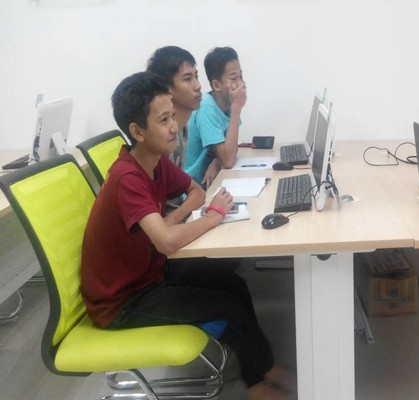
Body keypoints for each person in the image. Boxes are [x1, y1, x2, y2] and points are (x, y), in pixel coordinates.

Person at [80, 72, 294, 400]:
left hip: (149, 272)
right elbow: (167, 242)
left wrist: (171, 219)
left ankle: (261, 370)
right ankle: (261, 380)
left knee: (233, 284)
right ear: (137, 131)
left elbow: (196, 192)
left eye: (172, 117)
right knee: (226, 307)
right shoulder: (127, 178)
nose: (174, 127)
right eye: (163, 120)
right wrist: (211, 218)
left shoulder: (155, 162)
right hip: (123, 302)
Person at [185, 46, 247, 189]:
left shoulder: (227, 105)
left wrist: (217, 161)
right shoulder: (206, 108)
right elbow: (228, 160)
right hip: (192, 189)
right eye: (234, 78)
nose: (241, 84)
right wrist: (237, 107)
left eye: (241, 77)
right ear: (216, 85)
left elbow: (231, 148)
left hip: (212, 181)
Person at [146, 45, 201, 170]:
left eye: (196, 77)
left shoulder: (183, 127)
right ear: (167, 88)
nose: (198, 86)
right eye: (188, 79)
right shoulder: (161, 138)